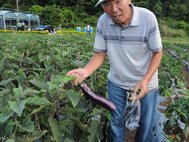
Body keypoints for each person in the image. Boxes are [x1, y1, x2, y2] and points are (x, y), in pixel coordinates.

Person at [66, 0, 163, 141]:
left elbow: (157, 53)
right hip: (117, 83)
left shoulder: (147, 18)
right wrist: (85, 71)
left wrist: (146, 80)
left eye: (118, 1)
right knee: (116, 122)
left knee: (145, 123)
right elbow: (100, 54)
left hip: (146, 83)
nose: (114, 9)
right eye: (107, 4)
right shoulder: (103, 21)